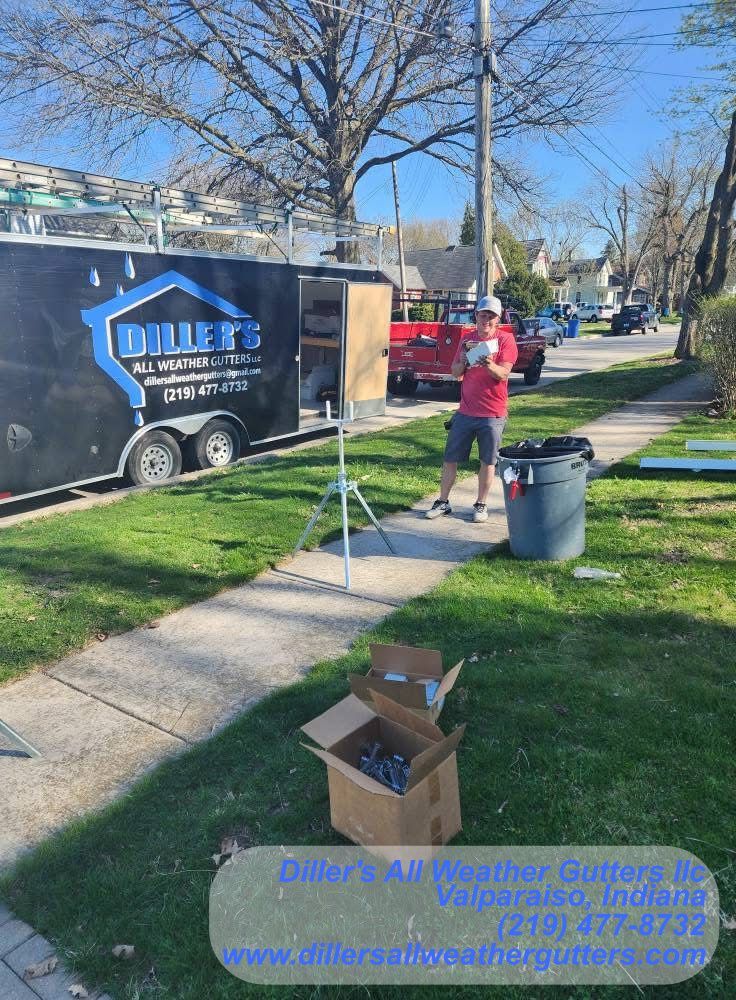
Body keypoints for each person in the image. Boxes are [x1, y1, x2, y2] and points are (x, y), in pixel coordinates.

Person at [425, 294, 518, 523]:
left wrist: (487, 361)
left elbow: (503, 374)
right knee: (450, 459)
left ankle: (480, 505)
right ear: (476, 315)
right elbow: (455, 373)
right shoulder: (467, 339)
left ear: (498, 319)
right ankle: (443, 502)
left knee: (488, 462)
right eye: (483, 314)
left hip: (492, 414)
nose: (486, 319)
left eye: (491, 316)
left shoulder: (505, 340)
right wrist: (467, 358)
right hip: (465, 412)